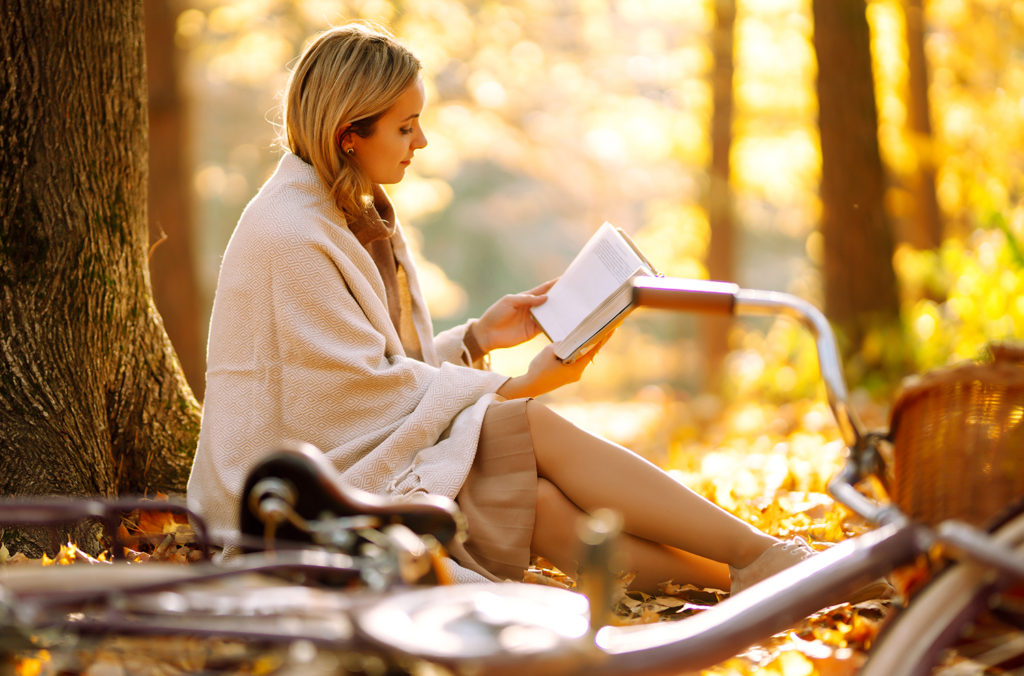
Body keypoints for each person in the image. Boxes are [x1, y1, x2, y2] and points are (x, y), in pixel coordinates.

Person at [186, 22, 815, 593]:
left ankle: (759, 578)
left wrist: (477, 338)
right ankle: (766, 559)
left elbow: (365, 377)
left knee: (536, 504)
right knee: (529, 430)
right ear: (349, 135)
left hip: (349, 461)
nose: (421, 140)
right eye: (405, 127)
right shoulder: (291, 234)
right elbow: (342, 402)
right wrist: (514, 387)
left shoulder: (349, 210)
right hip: (289, 501)